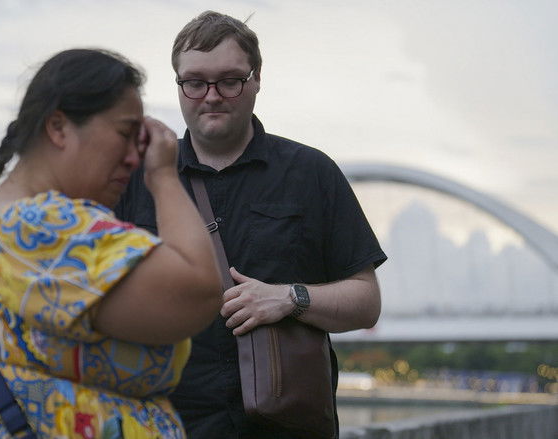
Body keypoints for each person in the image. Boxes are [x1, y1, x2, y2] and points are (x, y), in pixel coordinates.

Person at [0, 48, 222, 438]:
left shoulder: (12, 227)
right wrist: (163, 177)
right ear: (58, 128)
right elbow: (197, 290)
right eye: (125, 134)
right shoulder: (38, 228)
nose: (134, 158)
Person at [115, 11, 387, 439]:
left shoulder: (310, 171)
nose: (211, 96)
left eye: (230, 81)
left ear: (257, 79)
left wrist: (290, 298)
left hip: (285, 427)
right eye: (195, 82)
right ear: (178, 85)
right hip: (167, 425)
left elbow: (366, 302)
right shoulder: (136, 180)